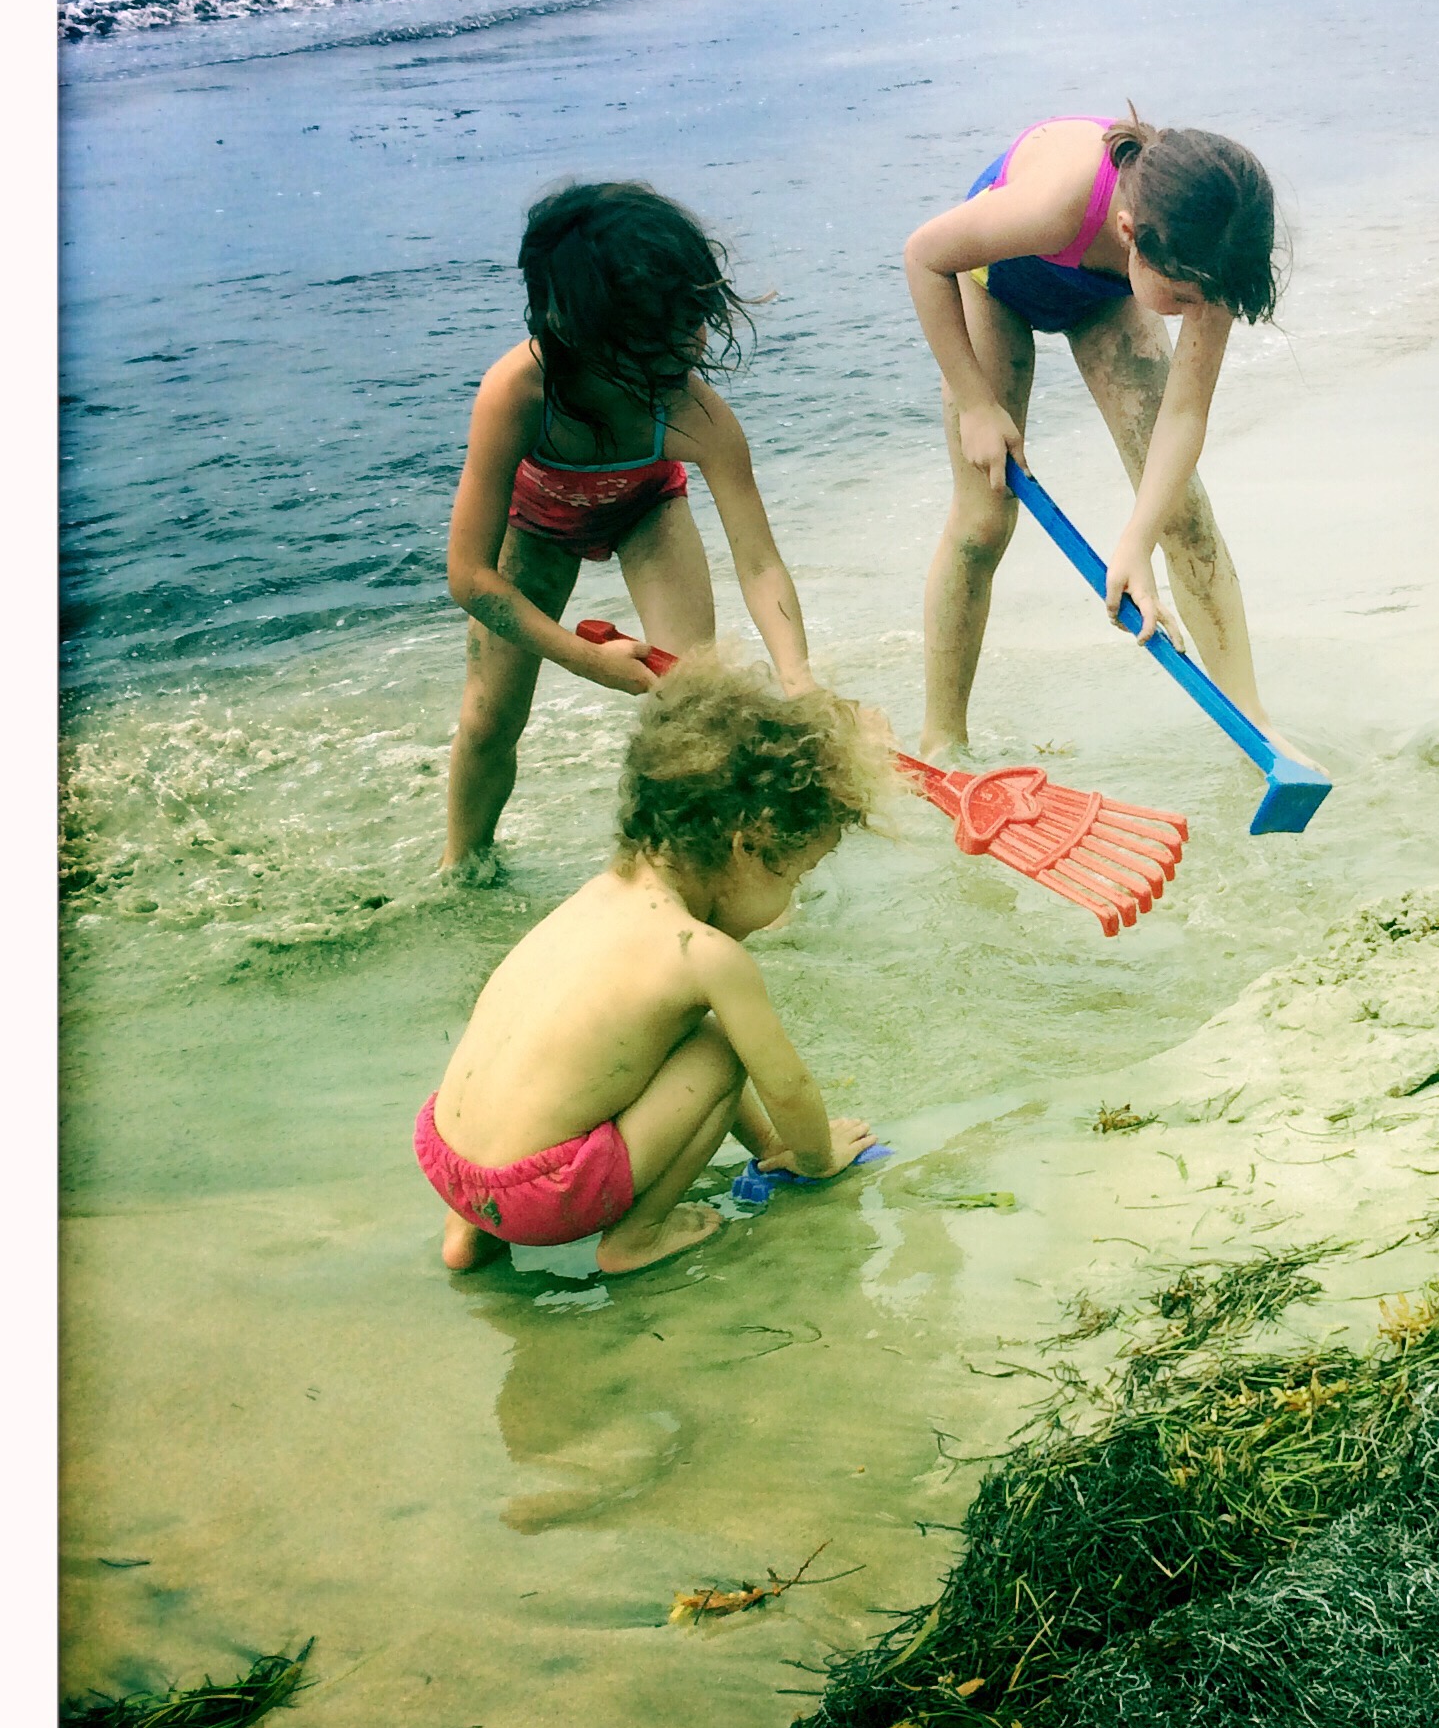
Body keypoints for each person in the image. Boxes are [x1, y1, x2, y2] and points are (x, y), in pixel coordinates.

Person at [415, 660, 892, 1275]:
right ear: (748, 847)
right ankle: (636, 1238)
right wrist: (816, 1156)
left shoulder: (595, 897)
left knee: (611, 1054)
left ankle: (469, 1237)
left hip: (449, 1164)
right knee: (724, 1049)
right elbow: (786, 1087)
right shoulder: (704, 953)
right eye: (795, 875)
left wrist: (768, 1146)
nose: (790, 899)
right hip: (541, 1199)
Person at [441, 180, 817, 871]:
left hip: (648, 511)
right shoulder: (518, 394)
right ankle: (463, 869)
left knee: (693, 710)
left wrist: (798, 679)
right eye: (661, 332)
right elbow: (468, 576)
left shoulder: (693, 411)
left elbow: (760, 563)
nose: (693, 345)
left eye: (695, 319)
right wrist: (583, 658)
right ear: (574, 326)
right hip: (537, 524)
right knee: (489, 720)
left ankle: (690, 872)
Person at [902, 108, 1285, 760]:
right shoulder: (1056, 204)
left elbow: (1185, 414)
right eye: (1184, 301)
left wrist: (1137, 540)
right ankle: (942, 741)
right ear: (1130, 234)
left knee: (1183, 515)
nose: (1195, 316)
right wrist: (975, 404)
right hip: (994, 283)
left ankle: (1253, 728)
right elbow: (923, 257)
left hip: (1105, 296)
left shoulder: (1209, 250)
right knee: (983, 519)